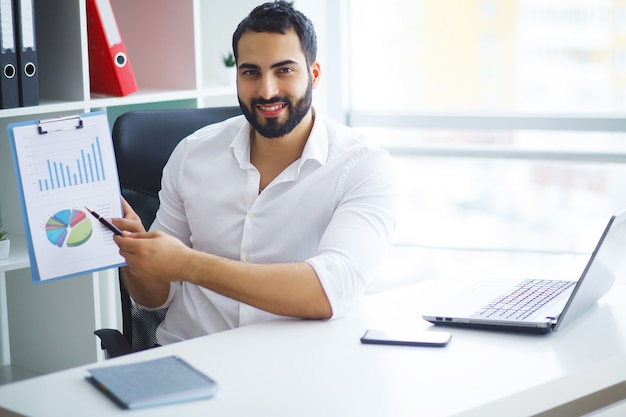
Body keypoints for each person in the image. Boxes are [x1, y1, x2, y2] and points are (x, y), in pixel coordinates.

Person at [112, 0, 398, 345]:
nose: (266, 90)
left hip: (300, 367)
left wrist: (189, 265)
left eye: (284, 70)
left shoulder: (364, 167)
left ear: (315, 74)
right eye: (251, 72)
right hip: (189, 356)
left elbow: (329, 291)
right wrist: (135, 254)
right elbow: (154, 298)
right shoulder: (191, 154)